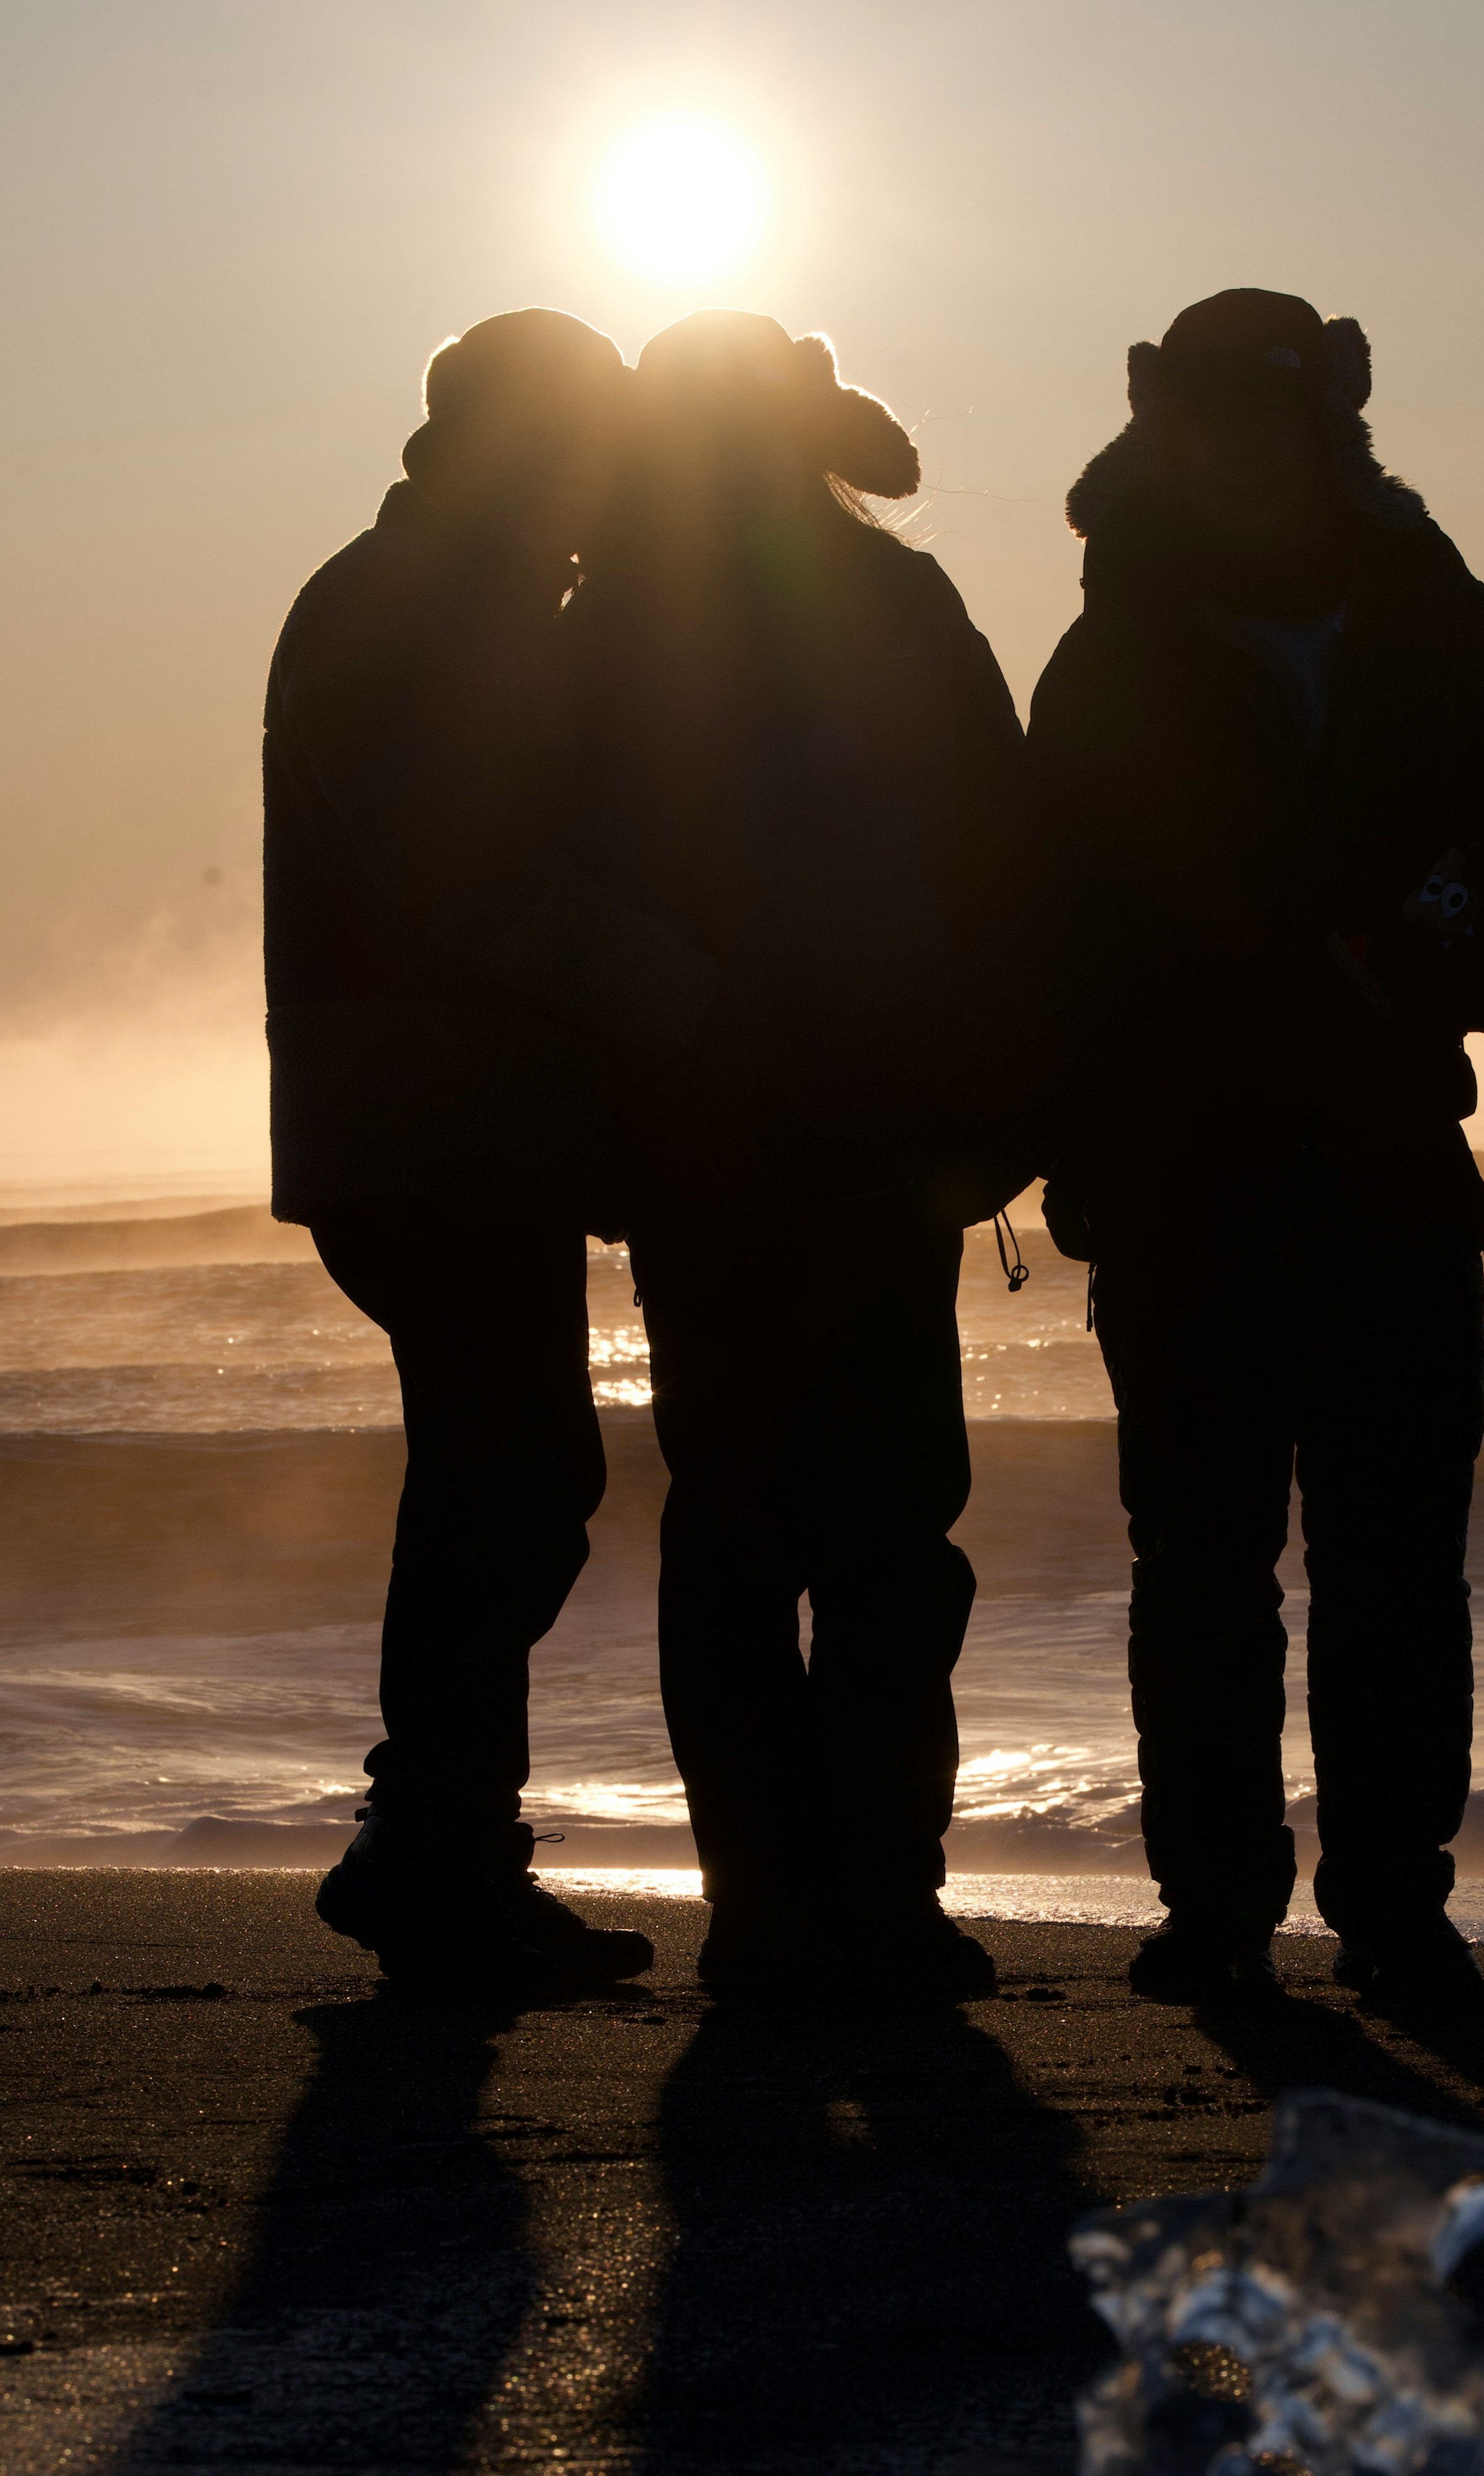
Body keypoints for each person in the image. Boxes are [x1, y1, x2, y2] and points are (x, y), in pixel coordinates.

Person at [1029, 289, 1484, 2007]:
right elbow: (1047, 911)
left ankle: (1396, 1903)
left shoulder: (1441, 616)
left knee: (1397, 1558)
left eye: (1274, 418)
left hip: (1389, 1153)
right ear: (1167, 431)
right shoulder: (1113, 645)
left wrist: (1442, 956)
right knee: (1199, 1560)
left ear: (1329, 422)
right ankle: (1214, 1907)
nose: (1246, 451)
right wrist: (1075, 1127)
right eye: (1211, 421)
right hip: (1182, 1166)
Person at [562, 311, 1036, 2001]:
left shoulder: (616, 625)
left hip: (802, 1148)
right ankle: (834, 1902)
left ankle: (811, 1903)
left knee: (790, 1529)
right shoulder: (840, 612)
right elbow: (1006, 862)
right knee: (846, 1531)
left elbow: (1001, 863)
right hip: (799, 1146)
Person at [266, 309, 721, 1992]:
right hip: (423, 1114)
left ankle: (442, 1835)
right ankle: (431, 1842)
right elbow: (461, 873)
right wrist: (684, 999)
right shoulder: (406, 607)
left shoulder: (462, 596)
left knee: (509, 1467)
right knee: (511, 1467)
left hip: (447, 1113)